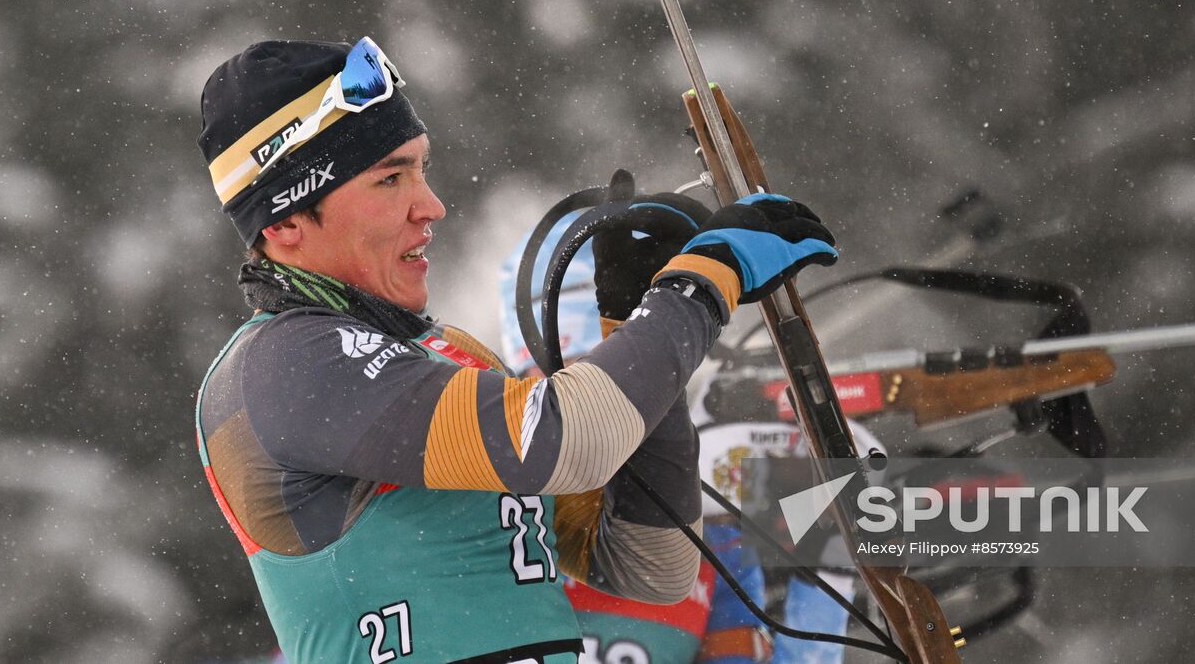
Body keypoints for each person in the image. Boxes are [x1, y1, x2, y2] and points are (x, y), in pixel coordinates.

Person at [192, 37, 838, 664]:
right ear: (283, 223)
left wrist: (634, 319)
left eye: (423, 169)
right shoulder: (281, 366)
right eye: (390, 180)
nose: (432, 206)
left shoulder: (450, 354)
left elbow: (649, 569)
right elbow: (571, 439)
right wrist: (699, 288)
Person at [499, 192, 871, 664]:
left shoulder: (707, 532)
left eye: (624, 378)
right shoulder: (488, 509)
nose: (604, 409)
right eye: (566, 380)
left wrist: (827, 544)